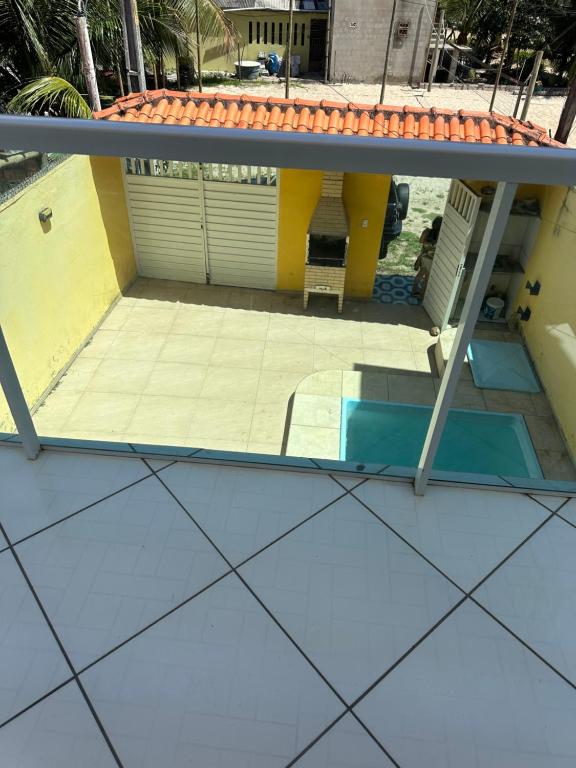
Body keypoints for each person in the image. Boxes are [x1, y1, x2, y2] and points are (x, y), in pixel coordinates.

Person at [412, 216, 442, 299]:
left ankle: (414, 291)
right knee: (427, 279)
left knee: (420, 274)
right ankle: (422, 295)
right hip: (431, 260)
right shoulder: (441, 236)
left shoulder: (427, 231)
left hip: (423, 257)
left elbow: (420, 241)